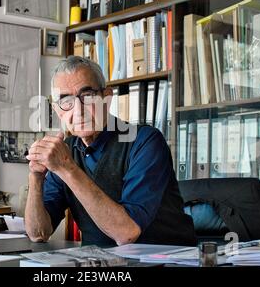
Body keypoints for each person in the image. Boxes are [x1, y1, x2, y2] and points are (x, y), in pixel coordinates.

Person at [25, 56, 196, 247]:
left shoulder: (145, 141)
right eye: (66, 100)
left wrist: (67, 168)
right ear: (58, 110)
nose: (79, 110)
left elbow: (127, 233)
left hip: (163, 259)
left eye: (88, 96)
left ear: (107, 97)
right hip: (101, 263)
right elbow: (38, 233)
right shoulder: (66, 151)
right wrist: (36, 178)